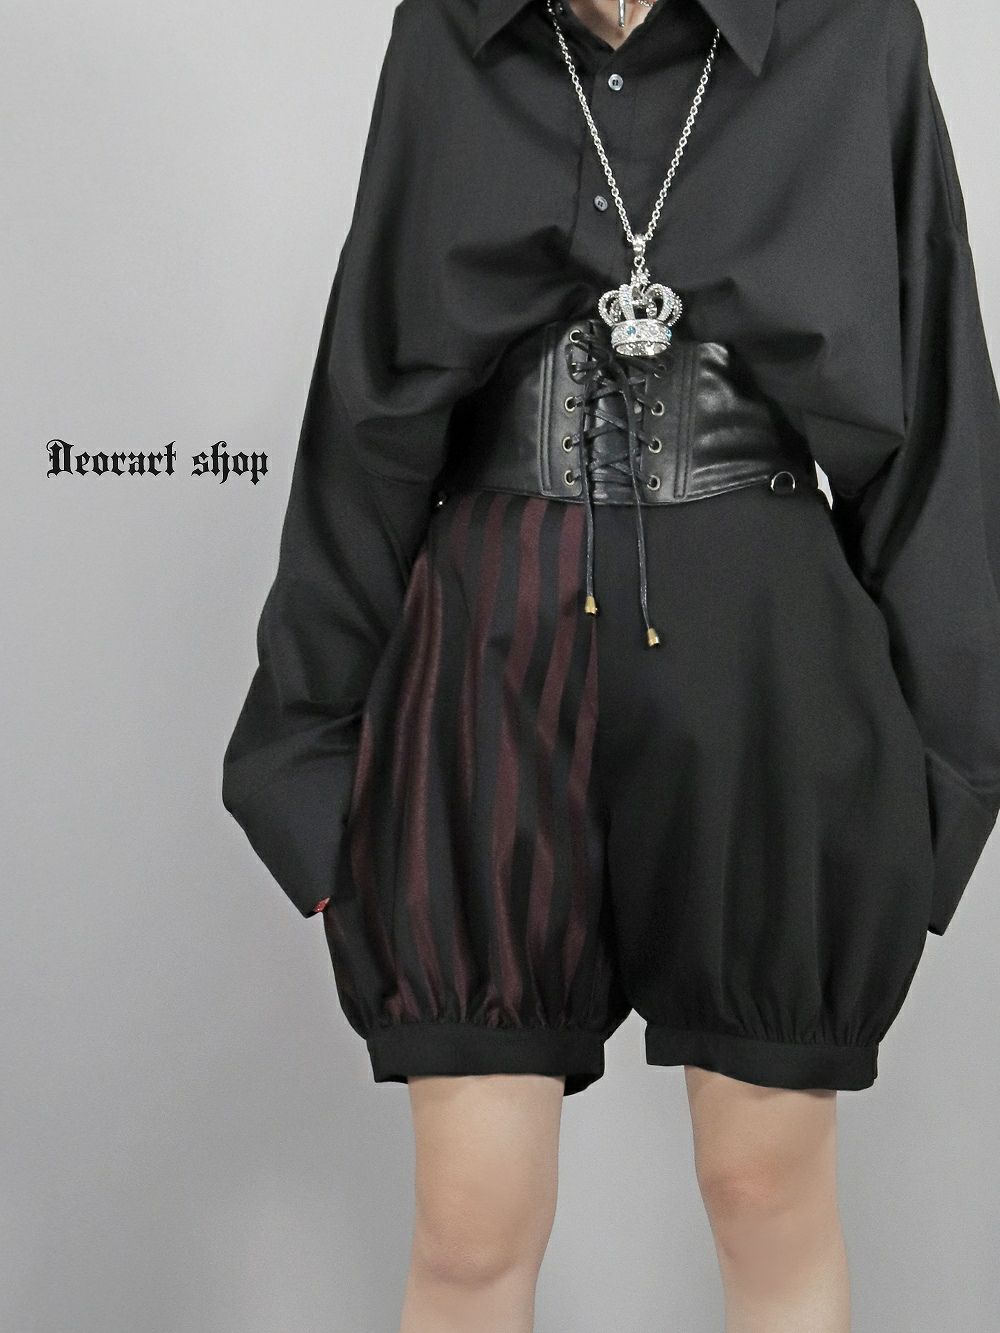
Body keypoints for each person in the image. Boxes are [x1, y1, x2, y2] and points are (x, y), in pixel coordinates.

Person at [220, 0, 1000, 1328]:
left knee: (764, 1186)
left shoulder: (853, 30)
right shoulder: (446, 34)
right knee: (471, 1217)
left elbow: (930, 410)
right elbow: (367, 405)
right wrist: (307, 752)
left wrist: (947, 776)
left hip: (764, 659)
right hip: (491, 648)